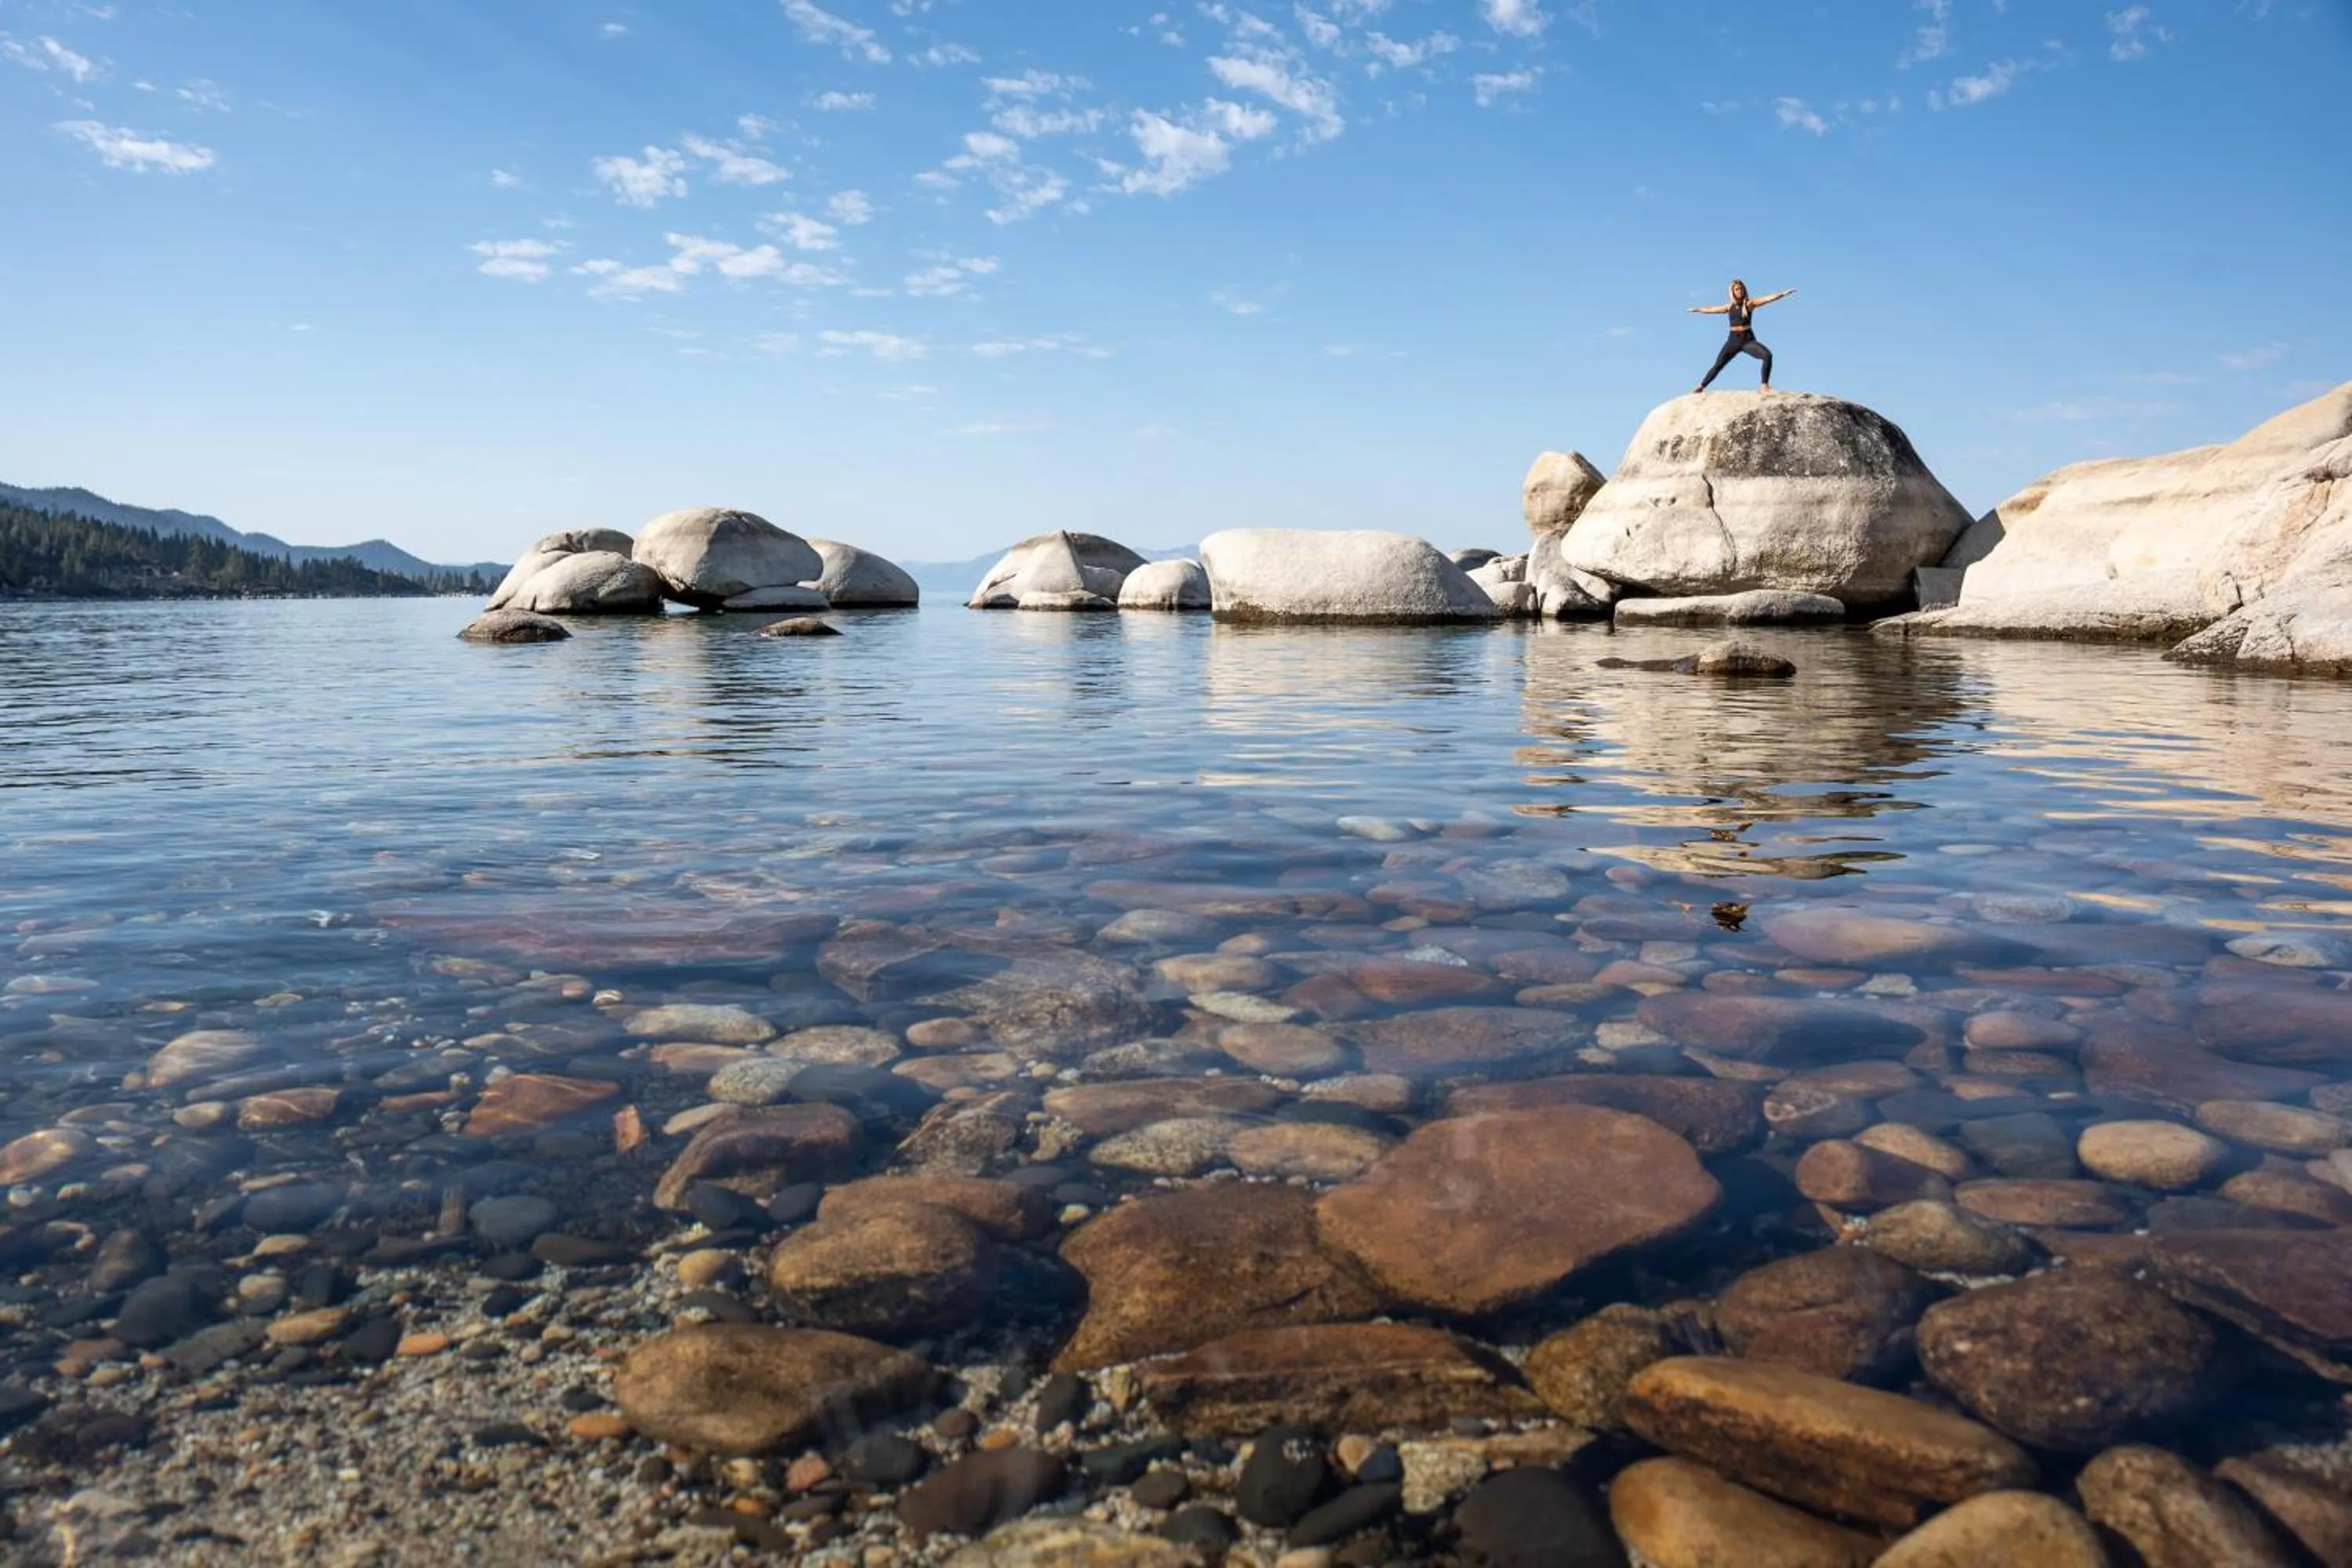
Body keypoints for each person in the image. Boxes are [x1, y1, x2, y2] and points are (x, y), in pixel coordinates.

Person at [1690, 279, 1795, 394]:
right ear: (1733, 292)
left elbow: (1767, 299)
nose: (1740, 291)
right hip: (1733, 342)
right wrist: (1698, 309)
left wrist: (1782, 294)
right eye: (1737, 289)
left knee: (1767, 355)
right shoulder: (1729, 307)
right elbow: (1712, 309)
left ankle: (1764, 385)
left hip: (1747, 341)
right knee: (1718, 365)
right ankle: (1701, 386)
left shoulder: (1749, 304)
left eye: (1741, 288)